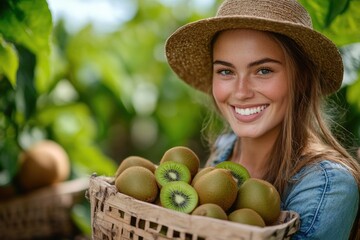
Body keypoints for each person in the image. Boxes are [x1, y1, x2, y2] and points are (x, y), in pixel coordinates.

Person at [165, 0, 360, 239]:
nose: (241, 92)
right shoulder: (225, 149)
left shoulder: (328, 185)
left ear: (301, 80)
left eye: (263, 70)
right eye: (226, 71)